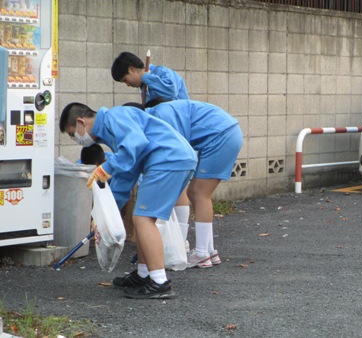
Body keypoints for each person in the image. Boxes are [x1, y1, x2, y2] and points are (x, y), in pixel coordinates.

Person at [59, 102, 197, 299]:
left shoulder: (114, 116)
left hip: (168, 159)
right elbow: (127, 172)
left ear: (81, 122)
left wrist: (107, 167)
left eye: (73, 134)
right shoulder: (112, 129)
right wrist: (107, 212)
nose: (76, 139)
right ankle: (144, 274)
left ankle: (159, 282)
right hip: (173, 158)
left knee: (143, 219)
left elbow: (136, 142)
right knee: (141, 218)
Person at [138, 98, 243, 268]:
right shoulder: (164, 111)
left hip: (220, 136)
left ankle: (201, 253)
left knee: (198, 193)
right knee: (197, 192)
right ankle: (209, 251)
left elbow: (175, 149)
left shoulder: (159, 115)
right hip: (227, 132)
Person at [111, 51, 189, 102]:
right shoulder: (143, 86)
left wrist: (147, 78)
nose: (128, 85)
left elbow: (171, 92)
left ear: (131, 69)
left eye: (125, 80)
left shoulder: (162, 72)